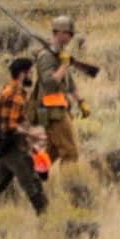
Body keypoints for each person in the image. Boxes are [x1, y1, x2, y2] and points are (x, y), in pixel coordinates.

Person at [0, 57, 48, 216]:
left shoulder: (14, 90)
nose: (32, 75)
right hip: (12, 146)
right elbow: (9, 126)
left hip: (9, 145)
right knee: (32, 184)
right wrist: (32, 134)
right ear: (22, 74)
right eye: (30, 72)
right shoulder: (13, 95)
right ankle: (46, 217)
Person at [32, 15, 87, 163]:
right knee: (70, 152)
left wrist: (81, 101)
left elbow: (68, 82)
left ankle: (33, 175)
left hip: (59, 107)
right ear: (60, 32)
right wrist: (63, 65)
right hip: (52, 111)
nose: (71, 37)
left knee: (53, 151)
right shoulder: (46, 56)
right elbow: (49, 84)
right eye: (69, 33)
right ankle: (71, 179)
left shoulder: (60, 55)